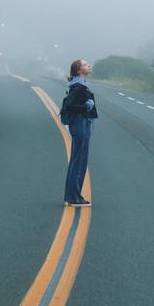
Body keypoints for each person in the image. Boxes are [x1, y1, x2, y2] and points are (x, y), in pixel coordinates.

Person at [63, 58, 98, 207]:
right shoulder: (78, 87)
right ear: (78, 70)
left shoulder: (79, 85)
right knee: (79, 160)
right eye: (84, 64)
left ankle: (73, 195)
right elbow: (70, 105)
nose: (88, 65)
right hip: (80, 123)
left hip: (81, 123)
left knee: (78, 159)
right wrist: (86, 107)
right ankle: (74, 197)